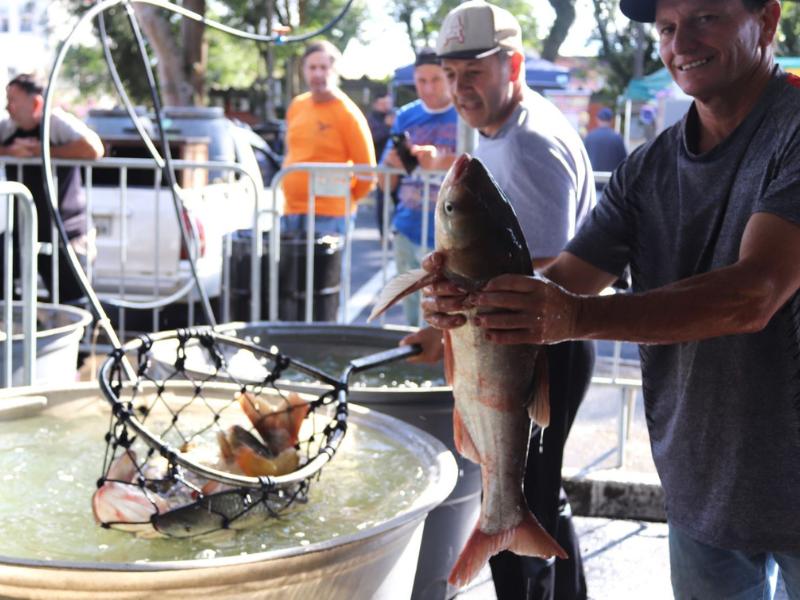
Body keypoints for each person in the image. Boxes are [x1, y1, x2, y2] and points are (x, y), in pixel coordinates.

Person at [422, 0, 800, 597]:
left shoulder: (793, 131)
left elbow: (754, 294)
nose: (681, 44)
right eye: (668, 28)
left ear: (768, 21)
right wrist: (473, 307)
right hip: (699, 476)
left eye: (707, 18)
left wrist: (574, 317)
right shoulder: (647, 168)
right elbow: (569, 276)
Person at [404, 2, 596, 598]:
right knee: (535, 494)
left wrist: (448, 310)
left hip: (541, 344)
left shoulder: (528, 143)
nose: (461, 89)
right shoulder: (498, 131)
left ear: (512, 64)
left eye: (474, 73)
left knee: (519, 499)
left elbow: (541, 276)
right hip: (519, 343)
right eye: (451, 74)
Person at [0, 73, 104, 303]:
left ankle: (80, 336)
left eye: (13, 100)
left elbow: (94, 149)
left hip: (66, 231)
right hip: (24, 228)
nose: (8, 107)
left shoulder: (55, 122)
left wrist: (41, 151)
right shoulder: (9, 127)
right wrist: (10, 152)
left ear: (35, 102)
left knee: (74, 300)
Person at [379, 47, 457, 326]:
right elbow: (384, 170)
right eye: (421, 81)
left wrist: (440, 160)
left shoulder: (465, 114)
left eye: (435, 79)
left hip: (449, 233)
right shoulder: (405, 116)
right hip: (408, 224)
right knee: (413, 309)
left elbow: (481, 163)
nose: (427, 88)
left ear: (449, 77)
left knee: (447, 312)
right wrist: (394, 161)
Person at [281, 40, 375, 236]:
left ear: (334, 70)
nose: (317, 74)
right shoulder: (297, 106)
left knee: (326, 268)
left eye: (323, 67)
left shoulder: (347, 113)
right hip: (292, 211)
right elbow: (291, 151)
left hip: (330, 216)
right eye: (312, 67)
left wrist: (344, 199)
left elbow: (367, 172)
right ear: (304, 70)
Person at [582, 107, 627, 196]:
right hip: (611, 188)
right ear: (611, 120)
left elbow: (582, 160)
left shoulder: (589, 137)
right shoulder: (617, 138)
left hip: (592, 186)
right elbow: (624, 162)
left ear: (598, 119)